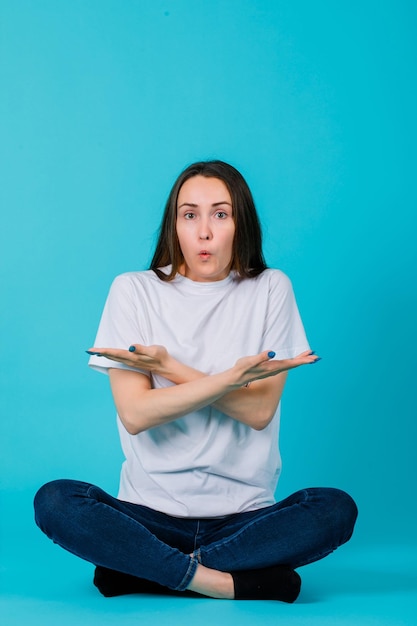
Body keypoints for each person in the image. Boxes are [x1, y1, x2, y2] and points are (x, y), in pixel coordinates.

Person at [34, 160, 357, 603]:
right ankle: (220, 581)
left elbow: (258, 411)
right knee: (55, 500)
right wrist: (231, 379)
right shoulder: (133, 291)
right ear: (175, 224)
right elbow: (136, 415)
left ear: (240, 223)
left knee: (334, 509)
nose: (204, 231)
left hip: (244, 518)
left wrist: (169, 368)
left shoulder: (270, 288)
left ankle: (144, 568)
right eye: (190, 214)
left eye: (220, 214)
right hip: (149, 515)